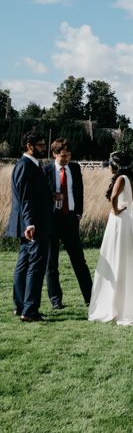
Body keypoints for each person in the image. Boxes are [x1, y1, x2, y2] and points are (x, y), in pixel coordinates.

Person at [88, 151, 133, 325]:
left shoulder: (120, 179)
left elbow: (114, 196)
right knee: (129, 258)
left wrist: (116, 210)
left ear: (115, 166)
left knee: (115, 256)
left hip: (119, 222)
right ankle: (127, 303)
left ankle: (114, 304)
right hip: (129, 221)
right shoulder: (132, 178)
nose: (109, 167)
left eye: (110, 164)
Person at [6, 131, 53, 322]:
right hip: (34, 225)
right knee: (35, 266)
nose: (44, 147)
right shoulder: (26, 166)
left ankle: (20, 306)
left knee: (23, 265)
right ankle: (30, 310)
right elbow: (26, 199)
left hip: (28, 223)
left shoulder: (29, 165)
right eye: (41, 145)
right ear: (29, 146)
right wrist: (30, 224)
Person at [44, 138, 93, 309]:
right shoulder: (46, 170)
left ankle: (90, 298)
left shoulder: (75, 167)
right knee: (52, 263)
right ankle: (56, 301)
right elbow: (40, 196)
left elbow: (79, 191)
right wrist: (52, 196)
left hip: (71, 218)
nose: (67, 159)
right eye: (63, 156)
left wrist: (78, 213)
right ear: (54, 154)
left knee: (79, 261)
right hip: (52, 221)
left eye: (69, 155)